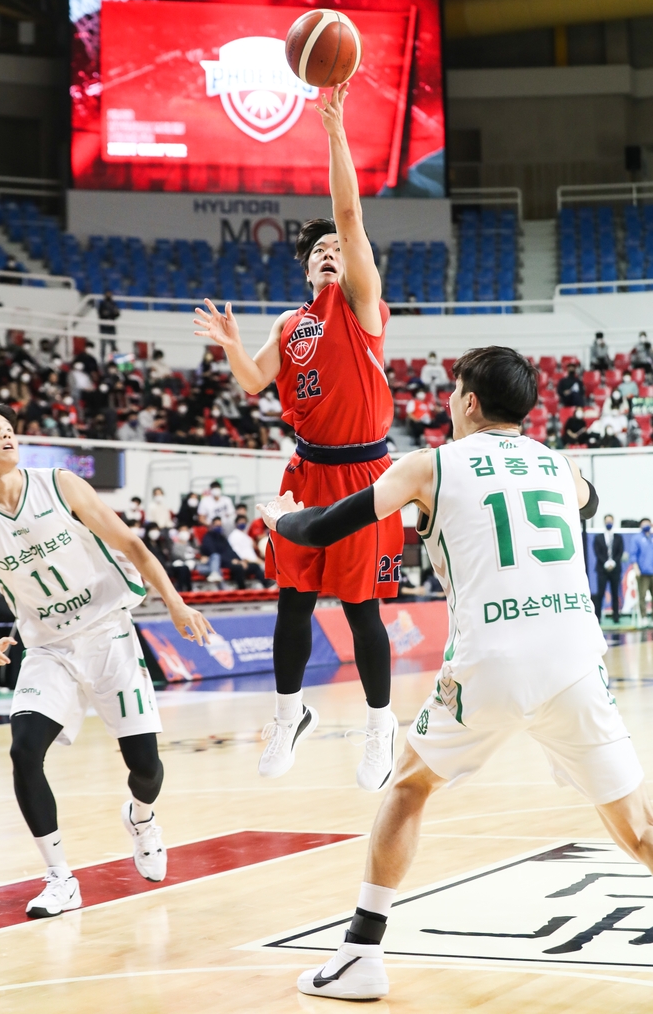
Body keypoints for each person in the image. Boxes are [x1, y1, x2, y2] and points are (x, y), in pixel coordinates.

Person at [258, 345, 653, 1001]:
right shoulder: (559, 465)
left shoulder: (427, 466)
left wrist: (281, 521)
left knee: (409, 788)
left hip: (489, 659)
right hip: (576, 660)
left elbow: (328, 525)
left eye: (452, 392)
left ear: (468, 401)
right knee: (638, 827)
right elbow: (587, 501)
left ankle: (361, 952)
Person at [194, 83, 403, 792]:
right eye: (316, 252)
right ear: (305, 266)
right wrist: (228, 342)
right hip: (307, 474)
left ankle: (381, 727)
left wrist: (334, 128)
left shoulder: (362, 305)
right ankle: (290, 714)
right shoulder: (291, 324)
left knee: (361, 608)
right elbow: (254, 382)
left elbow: (348, 214)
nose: (326, 254)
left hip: (367, 476)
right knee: (292, 598)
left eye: (335, 249)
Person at [0, 400, 213, 919]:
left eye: (10, 429)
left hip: (108, 634)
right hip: (49, 649)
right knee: (24, 751)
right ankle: (59, 878)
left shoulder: (59, 484)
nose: (8, 436)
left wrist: (176, 602)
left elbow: (134, 546)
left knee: (145, 767)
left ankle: (142, 819)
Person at [593, 515, 623, 623]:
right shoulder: (598, 537)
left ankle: (616, 617)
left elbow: (620, 552)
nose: (609, 522)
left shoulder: (618, 537)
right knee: (600, 594)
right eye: (607, 521)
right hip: (602, 569)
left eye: (611, 521)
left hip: (615, 569)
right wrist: (606, 563)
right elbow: (597, 552)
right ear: (604, 522)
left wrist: (613, 562)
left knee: (615, 594)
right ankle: (598, 617)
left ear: (613, 522)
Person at [228, 513, 270, 587]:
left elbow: (250, 550)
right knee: (256, 567)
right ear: (236, 523)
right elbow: (236, 551)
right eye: (240, 522)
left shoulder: (247, 537)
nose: (242, 524)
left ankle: (269, 585)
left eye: (244, 522)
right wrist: (244, 560)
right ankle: (266, 585)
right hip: (244, 561)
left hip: (254, 560)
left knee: (265, 566)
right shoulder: (234, 535)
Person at [629, 517, 653, 625]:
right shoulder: (637, 538)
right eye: (644, 523)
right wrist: (636, 568)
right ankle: (644, 618)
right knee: (642, 596)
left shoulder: (651, 537)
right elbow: (633, 555)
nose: (646, 525)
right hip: (643, 572)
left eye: (648, 523)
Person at [97, 291, 120, 359]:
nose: (109, 295)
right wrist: (110, 313)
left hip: (111, 326)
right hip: (104, 327)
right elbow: (101, 314)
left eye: (110, 294)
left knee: (113, 344)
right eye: (107, 294)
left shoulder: (113, 304)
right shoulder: (102, 304)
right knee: (103, 344)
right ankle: (102, 359)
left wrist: (110, 314)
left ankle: (113, 359)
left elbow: (117, 313)